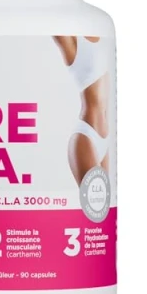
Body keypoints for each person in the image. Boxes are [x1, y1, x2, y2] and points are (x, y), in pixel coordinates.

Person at [53, 36, 111, 186]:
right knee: (94, 197)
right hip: (87, 136)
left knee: (105, 198)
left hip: (107, 136)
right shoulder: (72, 38)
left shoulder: (103, 33)